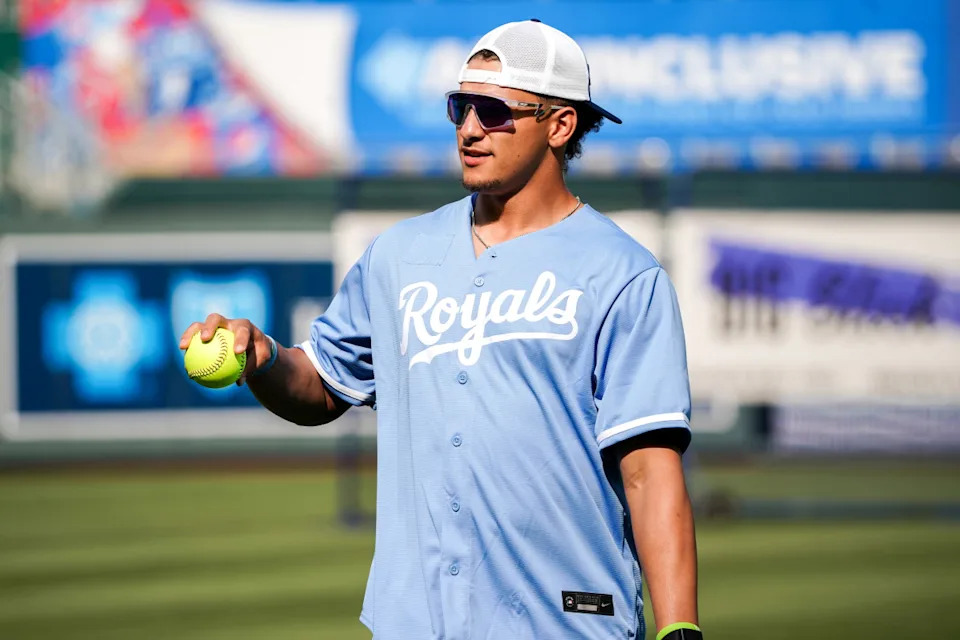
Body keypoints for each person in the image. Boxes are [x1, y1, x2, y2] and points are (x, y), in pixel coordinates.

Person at [180, 19, 700, 640]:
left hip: (564, 622)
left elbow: (648, 471)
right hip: (416, 624)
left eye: (495, 110)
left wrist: (679, 630)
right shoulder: (400, 254)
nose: (470, 127)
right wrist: (263, 359)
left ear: (560, 126)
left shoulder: (623, 275)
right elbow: (320, 385)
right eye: (460, 106)